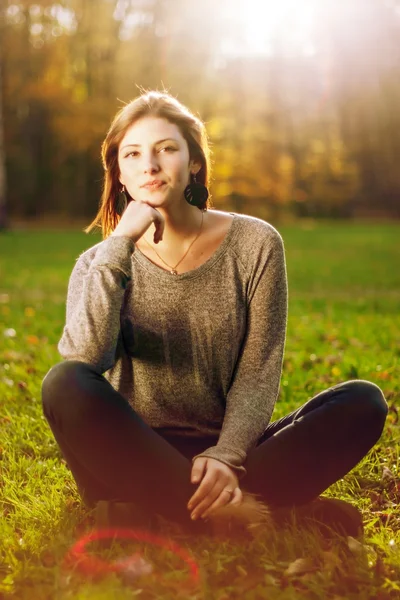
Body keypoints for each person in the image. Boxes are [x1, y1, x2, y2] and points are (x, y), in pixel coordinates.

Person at [41, 90, 388, 540]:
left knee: (362, 402)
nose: (149, 164)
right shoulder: (98, 263)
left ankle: (161, 513)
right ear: (120, 174)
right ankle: (256, 514)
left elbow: (259, 369)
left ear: (194, 162)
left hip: (231, 451)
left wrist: (226, 454)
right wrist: (119, 247)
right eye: (133, 154)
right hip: (130, 456)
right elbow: (86, 358)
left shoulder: (256, 243)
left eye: (166, 149)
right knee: (62, 382)